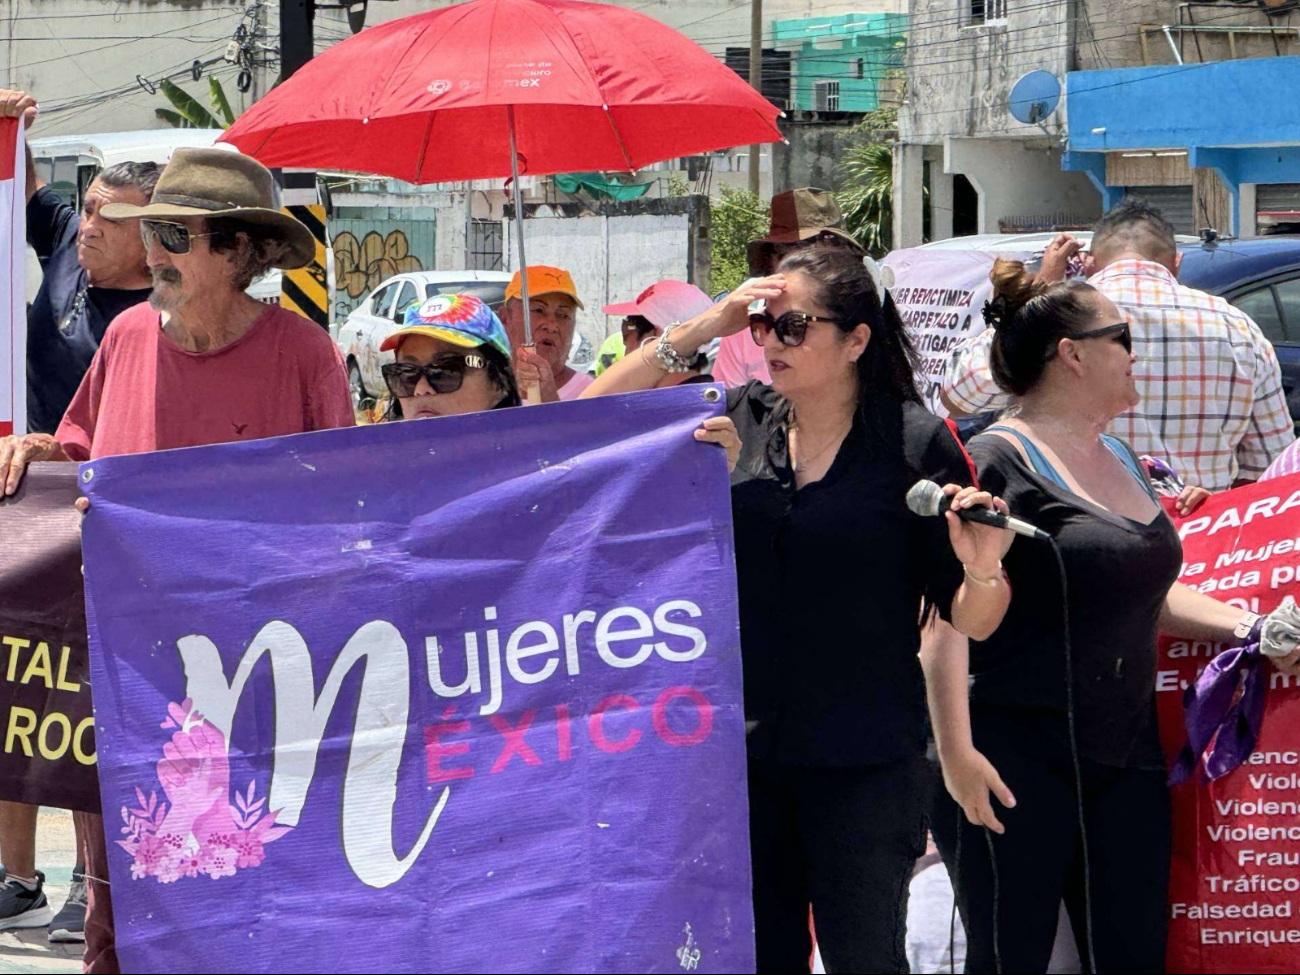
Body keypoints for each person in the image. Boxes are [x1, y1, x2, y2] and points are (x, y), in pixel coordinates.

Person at [586, 246, 1014, 973]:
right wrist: (706, 324)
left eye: (794, 328)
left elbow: (971, 619)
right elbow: (594, 417)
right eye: (763, 324)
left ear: (856, 339)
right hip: (739, 755)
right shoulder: (739, 418)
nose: (769, 343)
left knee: (864, 958)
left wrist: (982, 569)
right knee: (756, 956)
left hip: (865, 761)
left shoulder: (912, 442)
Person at [0, 146, 354, 974]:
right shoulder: (124, 336)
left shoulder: (303, 356)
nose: (150, 250)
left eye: (172, 233)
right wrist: (41, 452)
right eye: (150, 229)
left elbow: (346, 510)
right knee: (115, 919)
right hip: (123, 683)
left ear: (237, 250)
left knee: (243, 912)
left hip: (256, 691)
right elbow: (81, 448)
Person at [925, 260, 1300, 974]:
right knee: (1010, 960)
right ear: (1073, 355)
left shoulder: (1123, 455)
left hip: (1124, 759)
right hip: (1011, 759)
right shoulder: (991, 461)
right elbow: (944, 626)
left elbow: (1144, 594)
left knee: (1132, 954)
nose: (1137, 354)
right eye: (1122, 337)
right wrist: (955, 756)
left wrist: (1250, 628)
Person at [0, 87, 159, 946]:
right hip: (39, 507)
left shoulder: (157, 323)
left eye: (110, 218)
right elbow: (16, 194)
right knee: (31, 691)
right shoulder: (65, 237)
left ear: (156, 238)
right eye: (89, 209)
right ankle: (24, 873)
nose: (88, 227)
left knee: (96, 709)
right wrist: (11, 127)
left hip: (115, 525)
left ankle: (93, 888)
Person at [942, 200, 1295, 491]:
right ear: (1177, 263)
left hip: (1081, 542)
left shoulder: (1061, 318)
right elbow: (1269, 470)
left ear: (1089, 263)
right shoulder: (1238, 327)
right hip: (1199, 549)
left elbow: (960, 395)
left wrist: (1035, 297)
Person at [712, 187, 866, 388]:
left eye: (819, 254)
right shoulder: (745, 324)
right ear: (773, 262)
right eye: (792, 254)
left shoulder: (867, 316)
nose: (806, 266)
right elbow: (727, 407)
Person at [379, 293, 520, 418]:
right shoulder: (378, 447)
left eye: (445, 371)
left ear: (498, 383)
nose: (421, 390)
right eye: (407, 374)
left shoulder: (533, 444)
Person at [499, 266, 592, 402]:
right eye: (538, 310)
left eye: (563, 315)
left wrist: (549, 399)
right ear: (505, 318)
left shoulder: (591, 394)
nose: (551, 326)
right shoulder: (483, 389)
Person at [594, 279, 714, 377]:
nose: (623, 344)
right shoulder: (710, 396)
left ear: (655, 338)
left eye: (629, 328)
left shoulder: (639, 403)